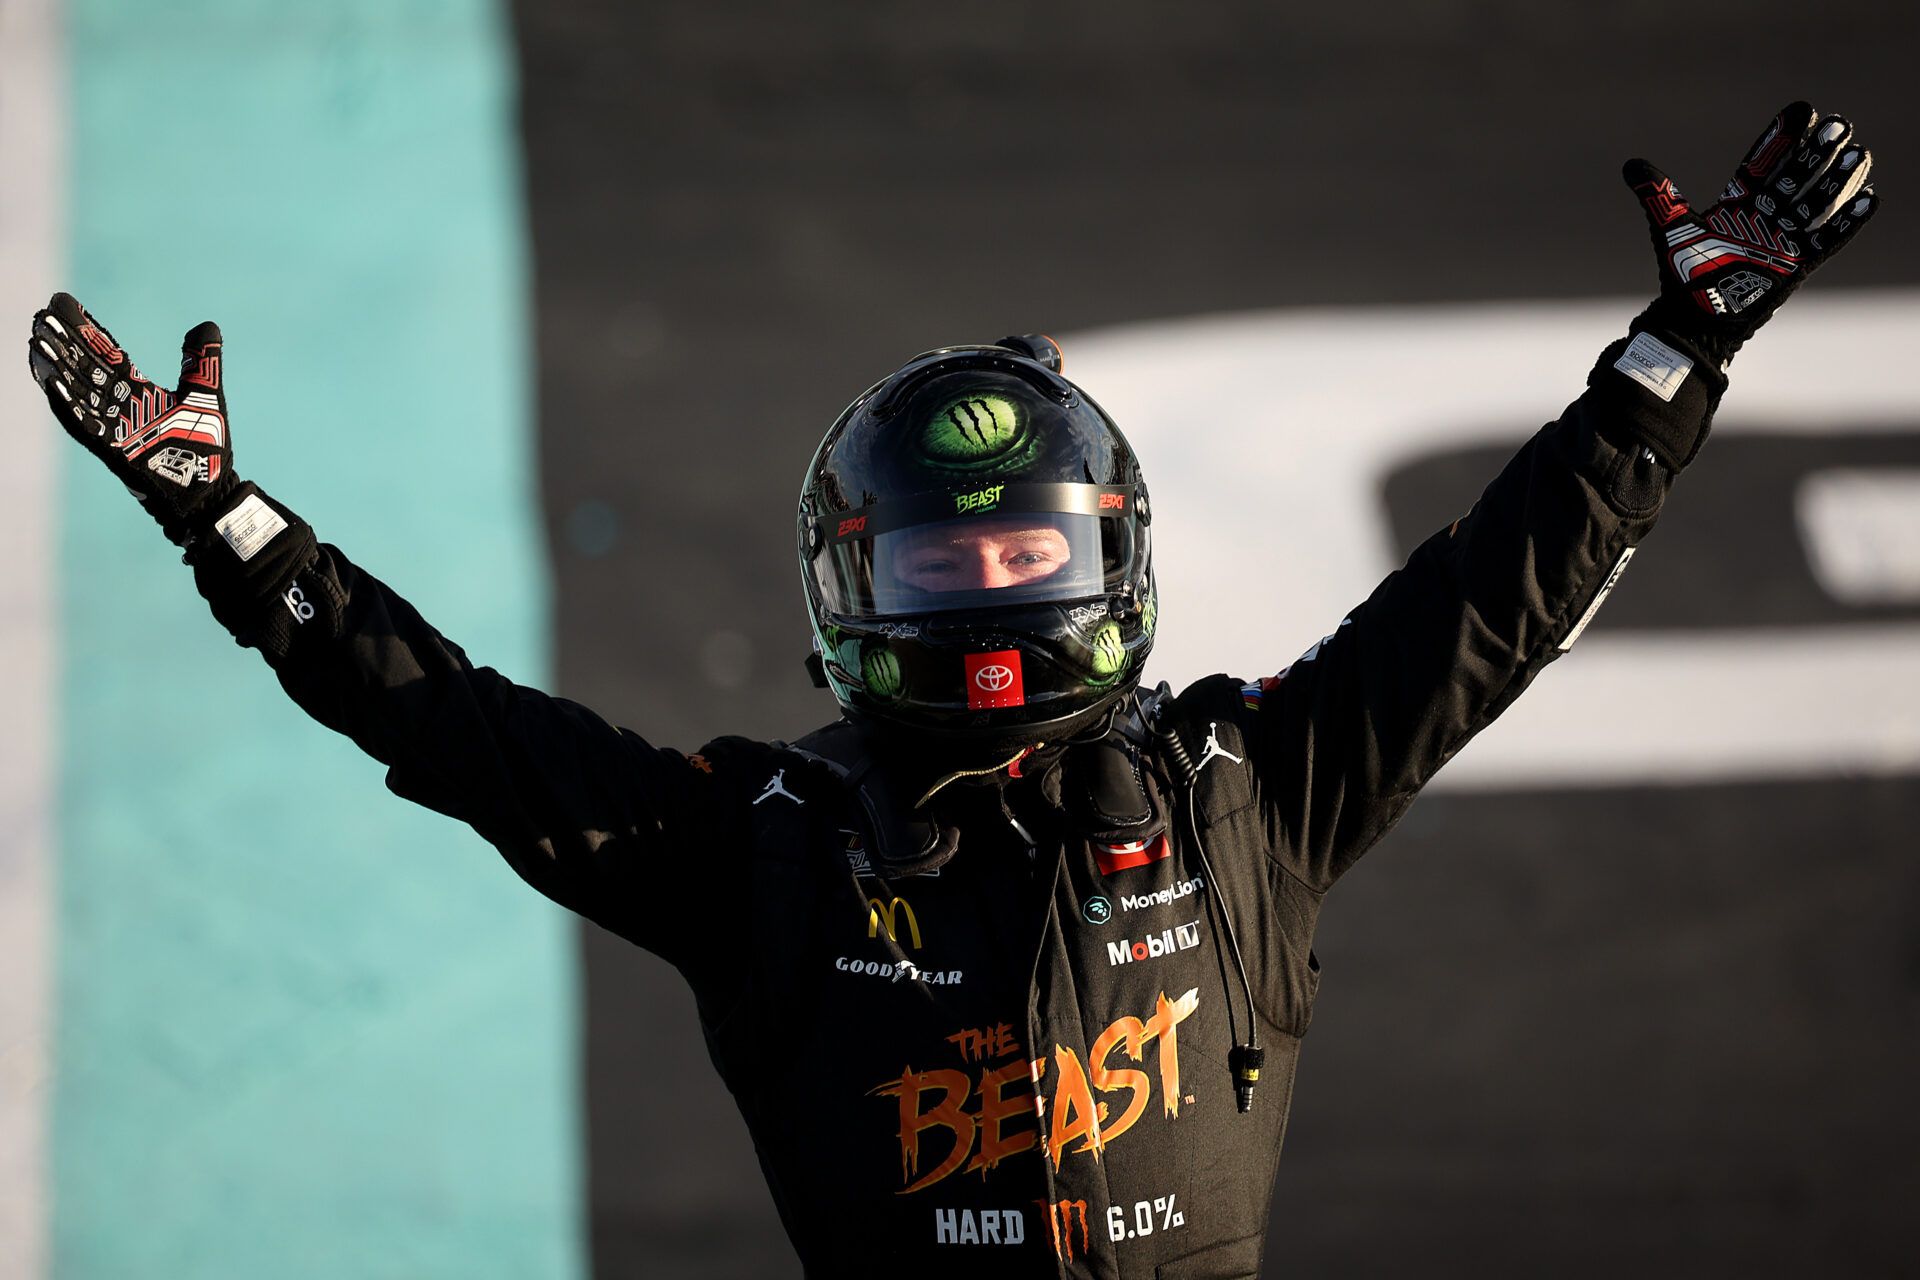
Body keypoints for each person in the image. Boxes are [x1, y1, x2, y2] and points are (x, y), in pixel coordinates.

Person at [24, 102, 1877, 1278]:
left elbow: (1499, 595)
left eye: (1028, 553)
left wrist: (1685, 346)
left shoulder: (1254, 787)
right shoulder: (753, 850)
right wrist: (229, 525)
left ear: (1110, 559)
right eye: (940, 563)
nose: (993, 594)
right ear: (854, 592)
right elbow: (451, 726)